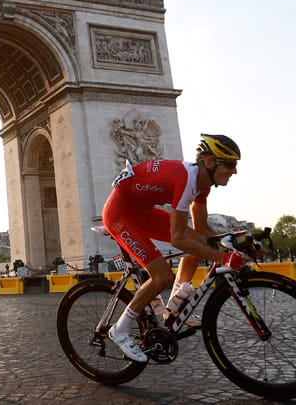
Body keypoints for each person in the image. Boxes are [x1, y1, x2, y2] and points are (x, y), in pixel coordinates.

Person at [103, 134, 248, 363]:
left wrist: (236, 242)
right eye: (229, 164)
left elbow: (201, 230)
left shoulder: (203, 185)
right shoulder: (186, 181)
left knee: (199, 242)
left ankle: (174, 306)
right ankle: (119, 330)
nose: (235, 171)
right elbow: (178, 240)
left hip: (143, 211)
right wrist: (224, 257)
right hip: (120, 215)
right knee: (161, 276)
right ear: (209, 162)